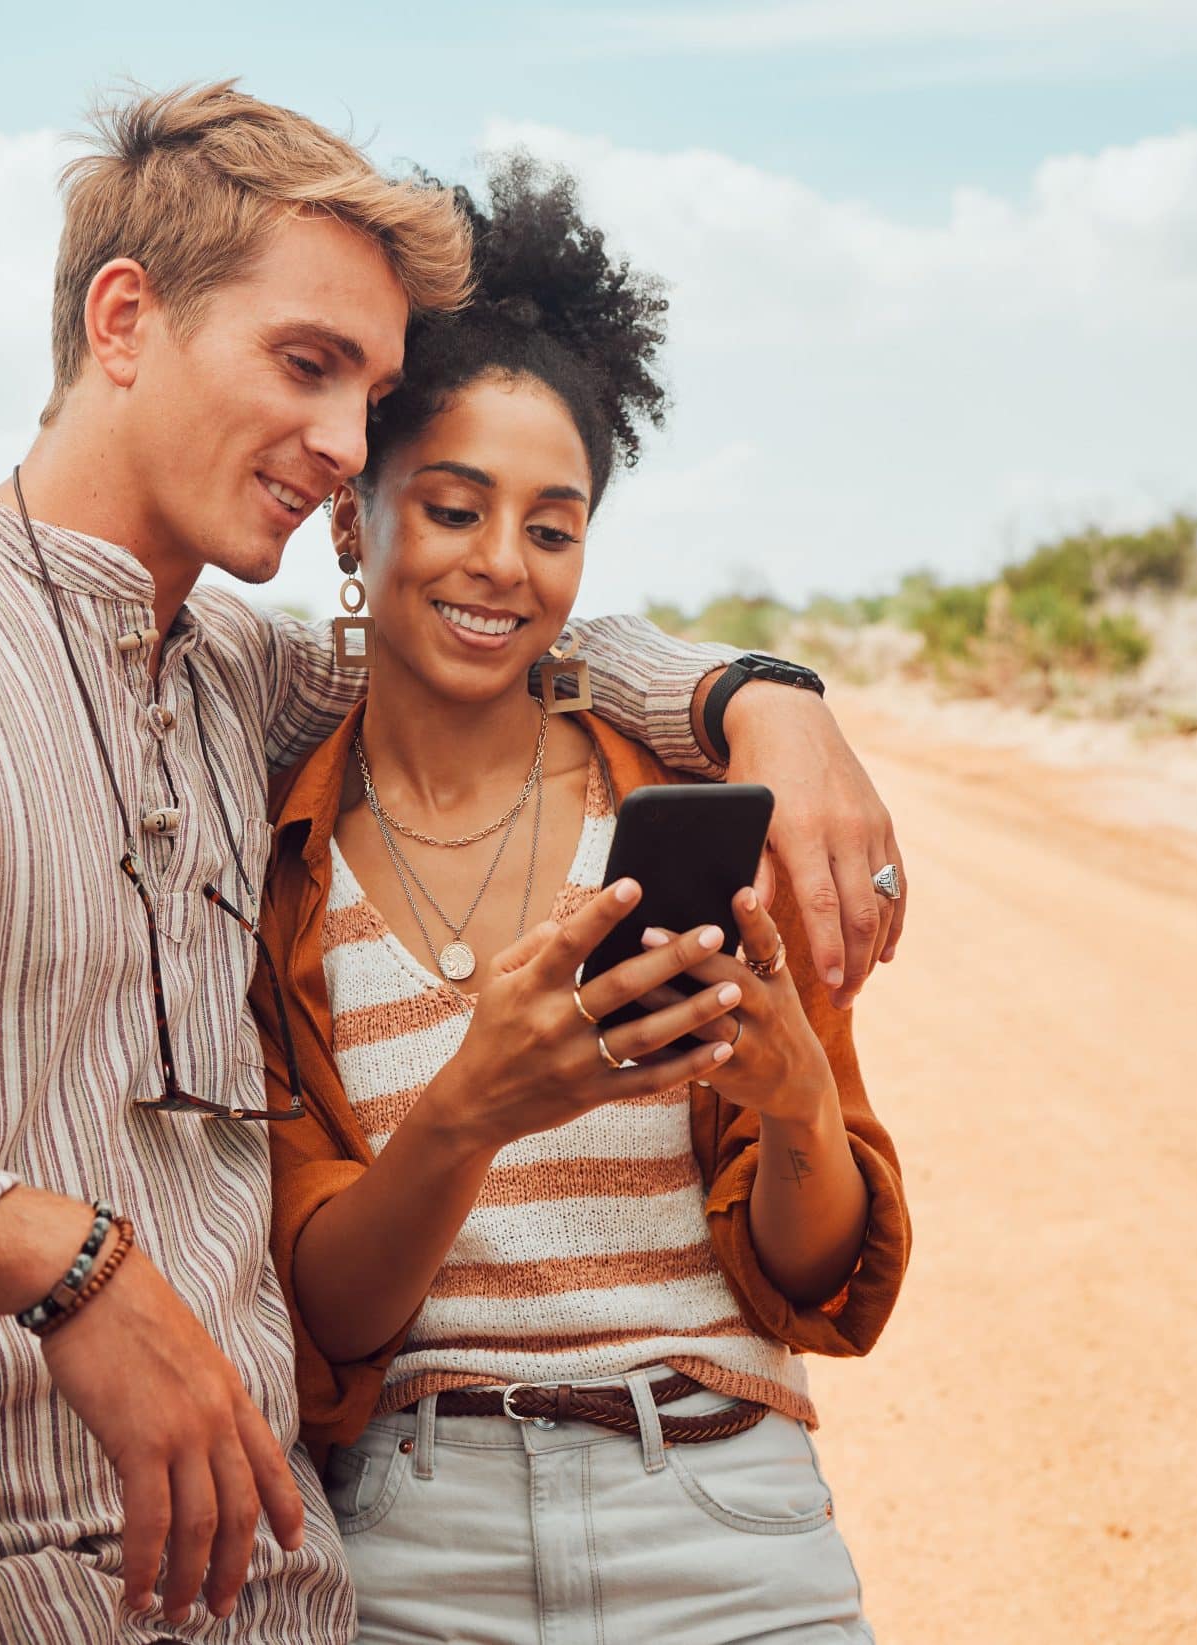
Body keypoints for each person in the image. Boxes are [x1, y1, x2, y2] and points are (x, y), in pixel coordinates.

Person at [0, 84, 907, 1644]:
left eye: (371, 394)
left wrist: (763, 697)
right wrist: (50, 1257)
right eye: (309, 367)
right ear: (122, 318)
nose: (345, 447)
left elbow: (501, 644)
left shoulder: (229, 677)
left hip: (291, 1594)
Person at [256, 156, 911, 1643]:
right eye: (453, 505)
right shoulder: (279, 857)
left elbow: (817, 1272)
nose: (503, 563)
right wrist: (473, 1105)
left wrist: (802, 1104)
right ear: (355, 520)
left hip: (731, 1519)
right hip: (420, 1544)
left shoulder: (678, 815)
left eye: (552, 526)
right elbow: (333, 1312)